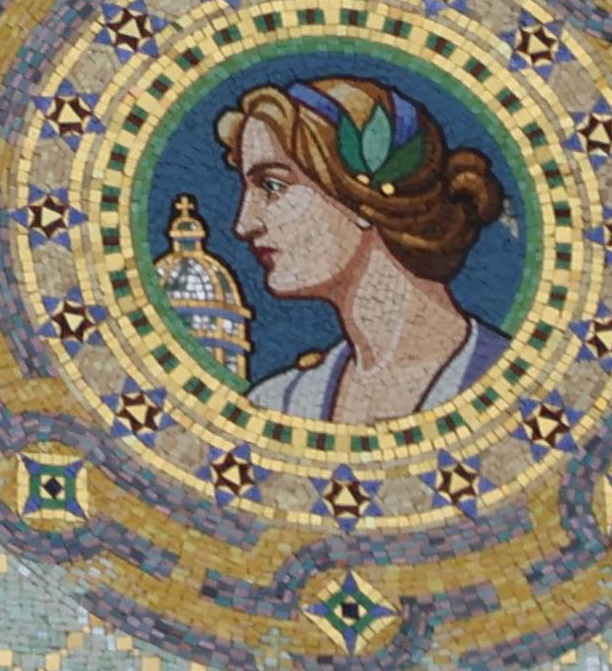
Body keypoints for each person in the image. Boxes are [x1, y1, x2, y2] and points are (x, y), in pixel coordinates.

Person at [209, 74, 507, 426]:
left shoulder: (510, 385)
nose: (244, 224)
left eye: (273, 186)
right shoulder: (278, 405)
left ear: (365, 199)